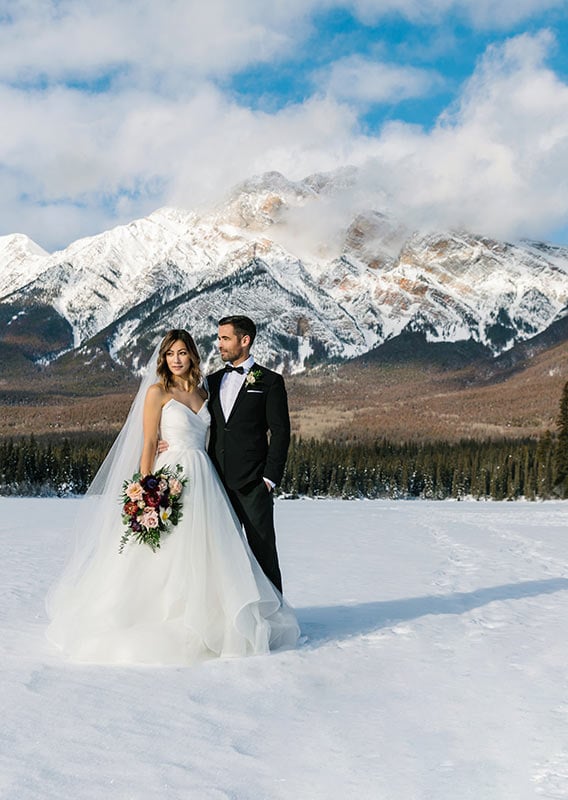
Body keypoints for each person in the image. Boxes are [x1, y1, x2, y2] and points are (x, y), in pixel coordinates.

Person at [45, 329, 300, 666]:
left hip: (206, 478)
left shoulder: (203, 391)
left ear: (192, 355)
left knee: (211, 549)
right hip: (171, 476)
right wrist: (147, 487)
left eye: (182, 353)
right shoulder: (157, 392)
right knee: (164, 549)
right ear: (162, 359)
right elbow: (149, 442)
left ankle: (215, 615)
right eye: (170, 354)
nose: (176, 360)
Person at [159, 316, 290, 592]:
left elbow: (280, 433)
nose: (219, 344)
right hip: (213, 485)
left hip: (254, 484)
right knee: (222, 556)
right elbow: (189, 417)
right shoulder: (212, 382)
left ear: (245, 340)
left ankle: (275, 616)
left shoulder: (270, 382)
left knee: (263, 552)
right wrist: (166, 440)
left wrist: (268, 479)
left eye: (225, 338)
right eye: (218, 338)